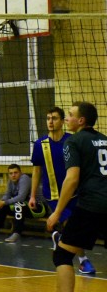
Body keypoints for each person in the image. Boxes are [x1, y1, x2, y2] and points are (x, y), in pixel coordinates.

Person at [47, 102, 107, 292]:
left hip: (91, 205)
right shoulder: (105, 139)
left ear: (81, 120)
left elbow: (72, 179)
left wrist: (57, 212)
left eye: (70, 115)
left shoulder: (73, 141)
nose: (66, 118)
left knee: (62, 256)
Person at [28, 107, 95, 274]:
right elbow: (36, 171)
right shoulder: (40, 144)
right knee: (71, 224)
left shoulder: (72, 140)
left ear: (62, 121)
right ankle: (83, 260)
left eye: (55, 118)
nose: (50, 122)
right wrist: (32, 195)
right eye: (48, 118)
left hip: (75, 193)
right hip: (53, 194)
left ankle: (60, 238)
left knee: (76, 227)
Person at [0, 163, 44, 242]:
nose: (13, 175)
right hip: (25, 207)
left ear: (20, 173)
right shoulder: (11, 181)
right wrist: (1, 202)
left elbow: (21, 198)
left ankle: (17, 233)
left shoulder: (24, 179)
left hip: (38, 207)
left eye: (15, 173)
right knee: (2, 206)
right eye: (11, 173)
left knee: (18, 205)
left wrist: (4, 202)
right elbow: (7, 195)